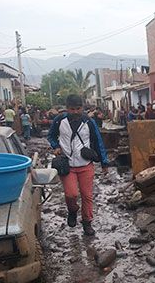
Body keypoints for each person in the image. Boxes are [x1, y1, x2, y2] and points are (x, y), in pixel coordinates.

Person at [47, 94, 109, 236]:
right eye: (72, 109)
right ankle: (73, 210)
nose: (75, 111)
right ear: (67, 108)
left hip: (86, 164)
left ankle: (87, 222)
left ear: (82, 107)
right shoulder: (59, 121)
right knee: (71, 194)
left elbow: (98, 141)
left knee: (87, 196)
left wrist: (104, 162)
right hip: (67, 165)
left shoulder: (89, 122)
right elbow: (50, 136)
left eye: (78, 108)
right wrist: (56, 146)